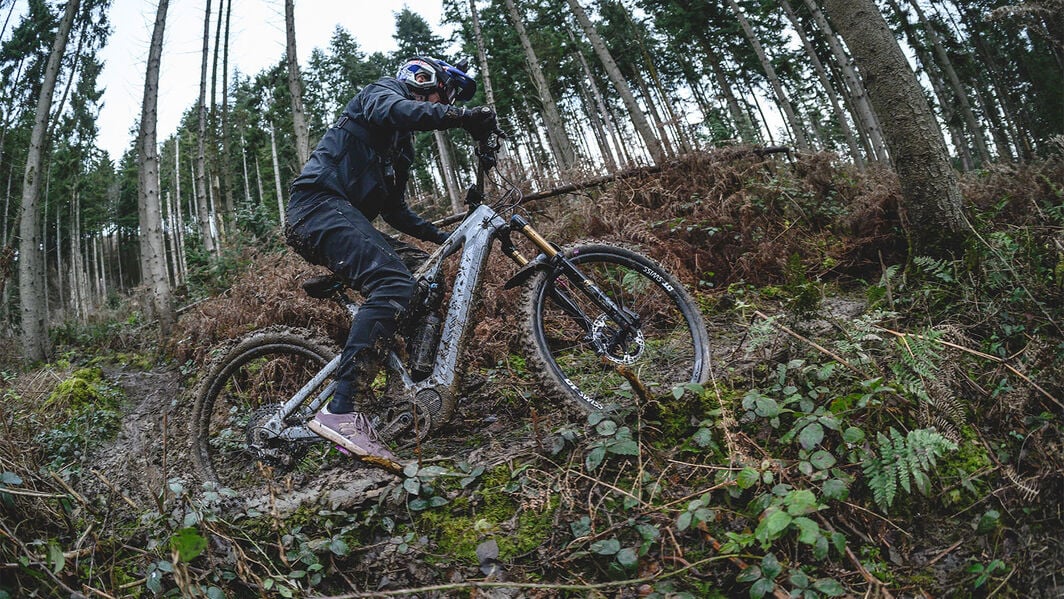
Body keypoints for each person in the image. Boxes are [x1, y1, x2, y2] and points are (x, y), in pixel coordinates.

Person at [284, 56, 497, 468]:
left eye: (449, 99)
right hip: (317, 207)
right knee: (394, 283)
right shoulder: (381, 95)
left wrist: (441, 236)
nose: (444, 102)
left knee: (424, 274)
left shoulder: (398, 146)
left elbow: (394, 210)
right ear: (423, 79)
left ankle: (417, 389)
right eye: (445, 94)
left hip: (343, 217)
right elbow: (400, 110)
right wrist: (463, 117)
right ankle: (341, 411)